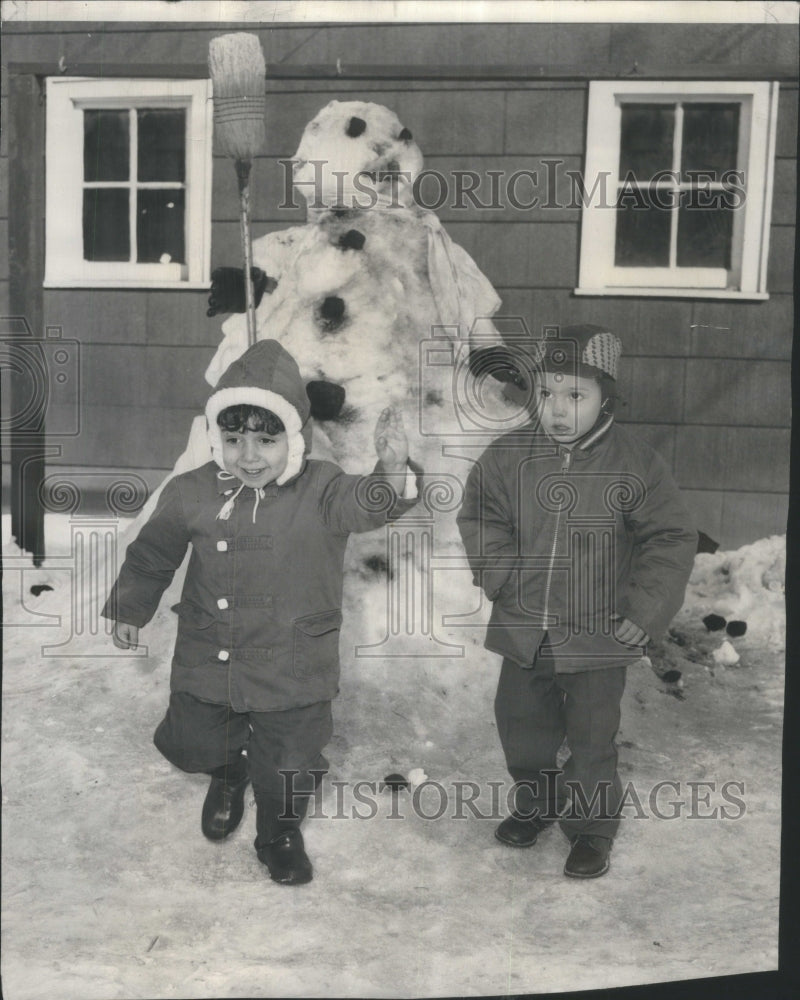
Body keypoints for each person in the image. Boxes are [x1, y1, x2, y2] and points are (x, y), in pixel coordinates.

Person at [103, 339, 419, 886]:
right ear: (216, 439)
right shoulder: (191, 491)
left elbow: (373, 503)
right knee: (195, 735)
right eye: (233, 440)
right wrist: (130, 607)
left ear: (293, 438)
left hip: (292, 658)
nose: (249, 456)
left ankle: (278, 831)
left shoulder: (321, 488)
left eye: (267, 441)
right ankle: (228, 771)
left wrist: (391, 471)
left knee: (289, 758)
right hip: (212, 648)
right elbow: (153, 553)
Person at [456, 325, 696, 878]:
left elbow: (671, 538)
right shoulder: (510, 455)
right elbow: (480, 514)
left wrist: (645, 611)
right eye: (546, 394)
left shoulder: (636, 462)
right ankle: (536, 801)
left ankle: (591, 828)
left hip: (599, 632)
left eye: (575, 395)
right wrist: (500, 572)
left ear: (605, 397)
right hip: (524, 625)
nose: (558, 409)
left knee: (591, 737)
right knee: (520, 723)